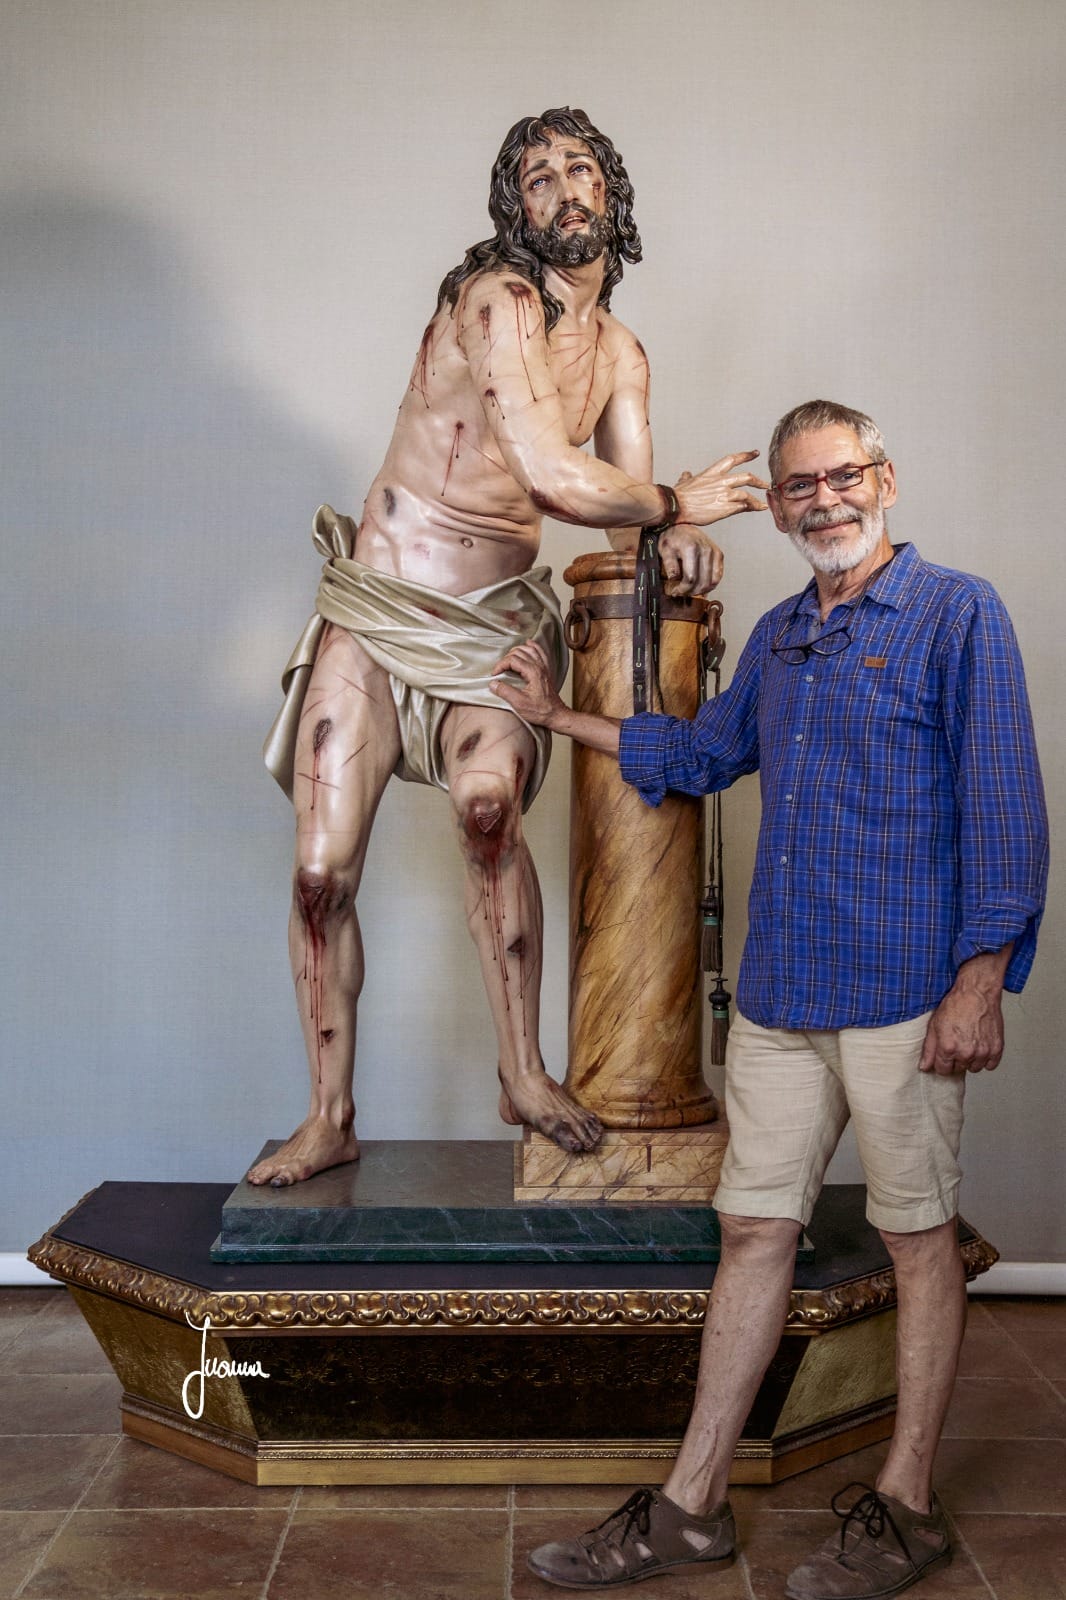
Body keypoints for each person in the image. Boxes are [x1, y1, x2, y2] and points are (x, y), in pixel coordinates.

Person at [494, 399, 1048, 1598]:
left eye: (839, 477)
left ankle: (904, 1508)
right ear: (782, 508)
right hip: (783, 997)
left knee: (915, 1244)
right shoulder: (785, 637)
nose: (820, 501)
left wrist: (979, 982)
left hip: (906, 997)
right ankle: (691, 1507)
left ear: (883, 478)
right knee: (751, 1231)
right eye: (796, 487)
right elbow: (700, 756)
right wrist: (554, 717)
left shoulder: (959, 614)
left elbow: (1007, 813)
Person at [251, 107, 767, 1187]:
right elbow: (546, 469)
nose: (565, 189)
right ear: (514, 209)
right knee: (315, 876)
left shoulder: (620, 351)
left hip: (490, 621)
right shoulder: (496, 301)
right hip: (381, 609)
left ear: (613, 199)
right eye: (539, 178)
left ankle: (522, 1073)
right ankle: (327, 1113)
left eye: (583, 170)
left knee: (489, 817)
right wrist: (677, 503)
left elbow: (624, 517)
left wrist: (667, 544)